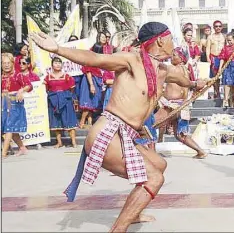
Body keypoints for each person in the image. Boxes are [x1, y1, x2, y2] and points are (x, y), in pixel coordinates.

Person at [30, 22, 206, 232]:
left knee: (158, 164)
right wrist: (58, 49)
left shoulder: (162, 70)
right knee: (154, 178)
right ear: (161, 40)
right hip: (107, 133)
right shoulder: (131, 59)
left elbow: (181, 78)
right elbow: (96, 59)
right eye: (170, 38)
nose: (173, 43)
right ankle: (118, 230)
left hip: (125, 135)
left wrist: (196, 85)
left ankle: (134, 213)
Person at [158, 48, 207, 159]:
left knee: (150, 126)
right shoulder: (187, 70)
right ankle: (201, 151)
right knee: (180, 135)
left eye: (174, 55)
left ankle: (148, 152)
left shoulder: (174, 69)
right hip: (182, 106)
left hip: (172, 106)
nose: (171, 56)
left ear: (181, 58)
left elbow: (159, 67)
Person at [2, 53, 31, 158]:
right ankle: (22, 148)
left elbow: (29, 85)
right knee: (10, 129)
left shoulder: (18, 75)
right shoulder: (2, 77)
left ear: (12, 63)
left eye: (8, 63)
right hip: (4, 104)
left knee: (9, 128)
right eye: (4, 63)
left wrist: (21, 90)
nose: (6, 65)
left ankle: (3, 153)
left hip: (14, 104)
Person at [45, 57, 78, 148]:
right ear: (52, 65)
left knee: (69, 120)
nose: (58, 64)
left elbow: (72, 89)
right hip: (53, 101)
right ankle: (59, 142)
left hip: (66, 100)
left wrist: (64, 96)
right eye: (55, 63)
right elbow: (46, 89)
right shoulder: (48, 77)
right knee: (56, 121)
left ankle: (74, 142)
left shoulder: (67, 76)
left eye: (59, 63)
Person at [78, 44, 105, 128]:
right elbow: (88, 72)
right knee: (88, 103)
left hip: (96, 82)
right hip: (89, 82)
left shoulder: (98, 60)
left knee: (92, 104)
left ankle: (89, 123)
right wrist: (91, 85)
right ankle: (82, 122)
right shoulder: (89, 60)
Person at [207, 20, 226, 100]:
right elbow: (208, 48)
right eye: (216, 26)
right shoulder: (210, 37)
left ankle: (226, 94)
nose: (218, 28)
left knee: (224, 75)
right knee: (215, 77)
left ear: (221, 27)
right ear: (214, 27)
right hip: (214, 57)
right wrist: (208, 58)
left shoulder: (224, 36)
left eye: (219, 26)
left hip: (222, 58)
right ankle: (216, 92)